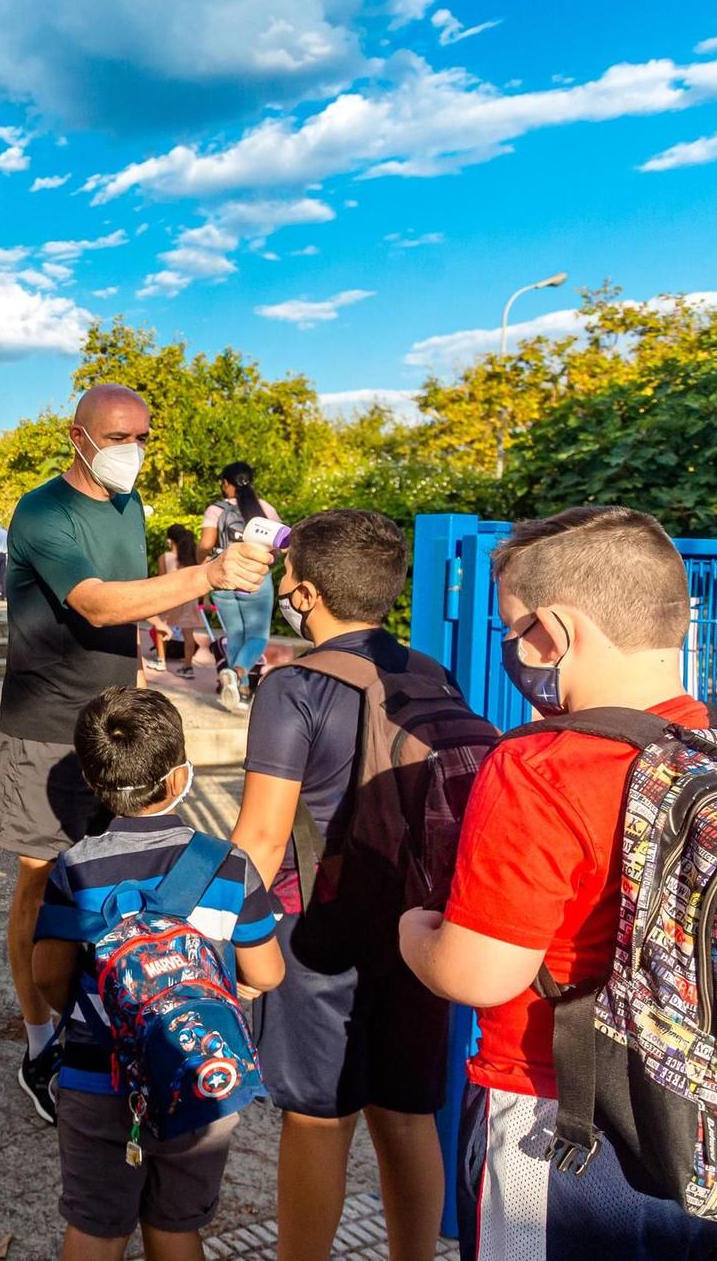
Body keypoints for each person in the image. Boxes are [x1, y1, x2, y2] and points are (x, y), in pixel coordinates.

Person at [400, 506, 717, 1259]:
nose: (512, 648)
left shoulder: (541, 765)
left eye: (513, 629)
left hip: (564, 1124)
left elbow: (478, 973)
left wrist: (415, 932)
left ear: (554, 631)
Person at [0, 383, 271, 1124]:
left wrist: (146, 672)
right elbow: (94, 601)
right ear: (78, 437)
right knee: (38, 883)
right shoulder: (41, 512)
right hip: (47, 725)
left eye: (143, 438)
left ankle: (109, 1012)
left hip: (116, 718)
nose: (133, 452)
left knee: (112, 881)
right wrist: (210, 574)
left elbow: (138, 597)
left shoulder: (129, 506)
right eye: (119, 437)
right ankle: (39, 1041)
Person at [226, 509, 451, 1261]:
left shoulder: (292, 688)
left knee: (320, 1118)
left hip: (319, 935)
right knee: (406, 1115)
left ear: (308, 593)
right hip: (420, 924)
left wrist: (214, 937)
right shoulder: (428, 673)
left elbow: (260, 837)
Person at [33, 687, 284, 1261]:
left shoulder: (75, 869)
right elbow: (268, 972)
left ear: (94, 785)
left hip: (99, 1079)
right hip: (200, 1074)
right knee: (176, 1228)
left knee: (96, 1229)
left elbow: (48, 978)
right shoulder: (229, 864)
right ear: (180, 779)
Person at [199, 462, 282, 714]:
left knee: (235, 634)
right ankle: (236, 674)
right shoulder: (263, 508)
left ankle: (242, 692)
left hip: (223, 577)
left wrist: (200, 566)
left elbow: (205, 545)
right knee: (257, 636)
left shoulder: (215, 510)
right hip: (255, 578)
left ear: (226, 483)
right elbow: (282, 545)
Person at [149, 524, 207, 679]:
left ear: (170, 541)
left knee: (161, 627)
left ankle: (161, 660)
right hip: (189, 598)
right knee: (188, 633)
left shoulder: (165, 557)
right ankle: (188, 667)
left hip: (169, 597)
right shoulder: (193, 559)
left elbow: (160, 580)